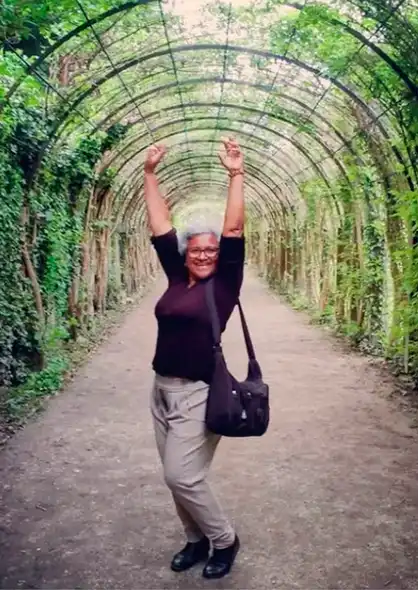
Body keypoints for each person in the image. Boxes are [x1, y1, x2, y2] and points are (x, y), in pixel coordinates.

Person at [142, 137, 246, 577]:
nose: (204, 254)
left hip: (198, 394)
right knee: (175, 476)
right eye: (197, 249)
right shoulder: (175, 275)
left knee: (181, 475)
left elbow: (234, 230)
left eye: (211, 250)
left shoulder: (223, 285)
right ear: (186, 254)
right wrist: (149, 173)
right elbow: (160, 226)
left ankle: (224, 540)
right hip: (161, 391)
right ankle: (194, 539)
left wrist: (236, 174)